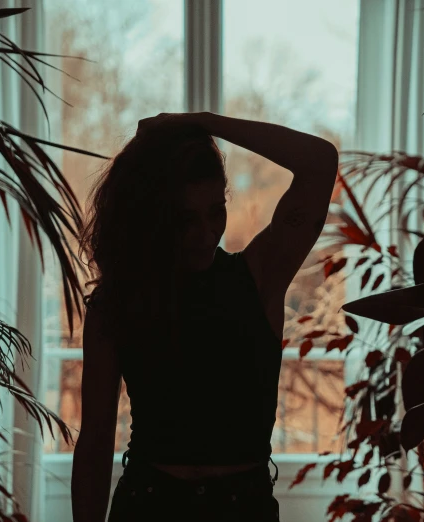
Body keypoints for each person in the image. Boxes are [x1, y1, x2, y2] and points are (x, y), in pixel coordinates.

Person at [71, 111, 339, 522]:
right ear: (153, 217)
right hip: (147, 507)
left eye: (216, 211)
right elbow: (94, 442)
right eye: (185, 219)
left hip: (242, 509)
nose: (206, 233)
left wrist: (200, 122)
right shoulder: (117, 302)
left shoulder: (258, 278)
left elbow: (319, 161)